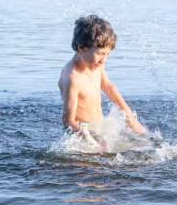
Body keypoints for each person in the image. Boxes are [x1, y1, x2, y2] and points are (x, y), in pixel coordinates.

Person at [58, 15, 145, 144]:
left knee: (141, 143)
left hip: (99, 125)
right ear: (82, 47)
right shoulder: (73, 78)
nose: (103, 60)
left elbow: (108, 87)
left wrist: (129, 116)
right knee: (107, 153)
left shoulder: (95, 65)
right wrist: (92, 137)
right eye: (100, 54)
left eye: (107, 54)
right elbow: (67, 122)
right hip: (80, 129)